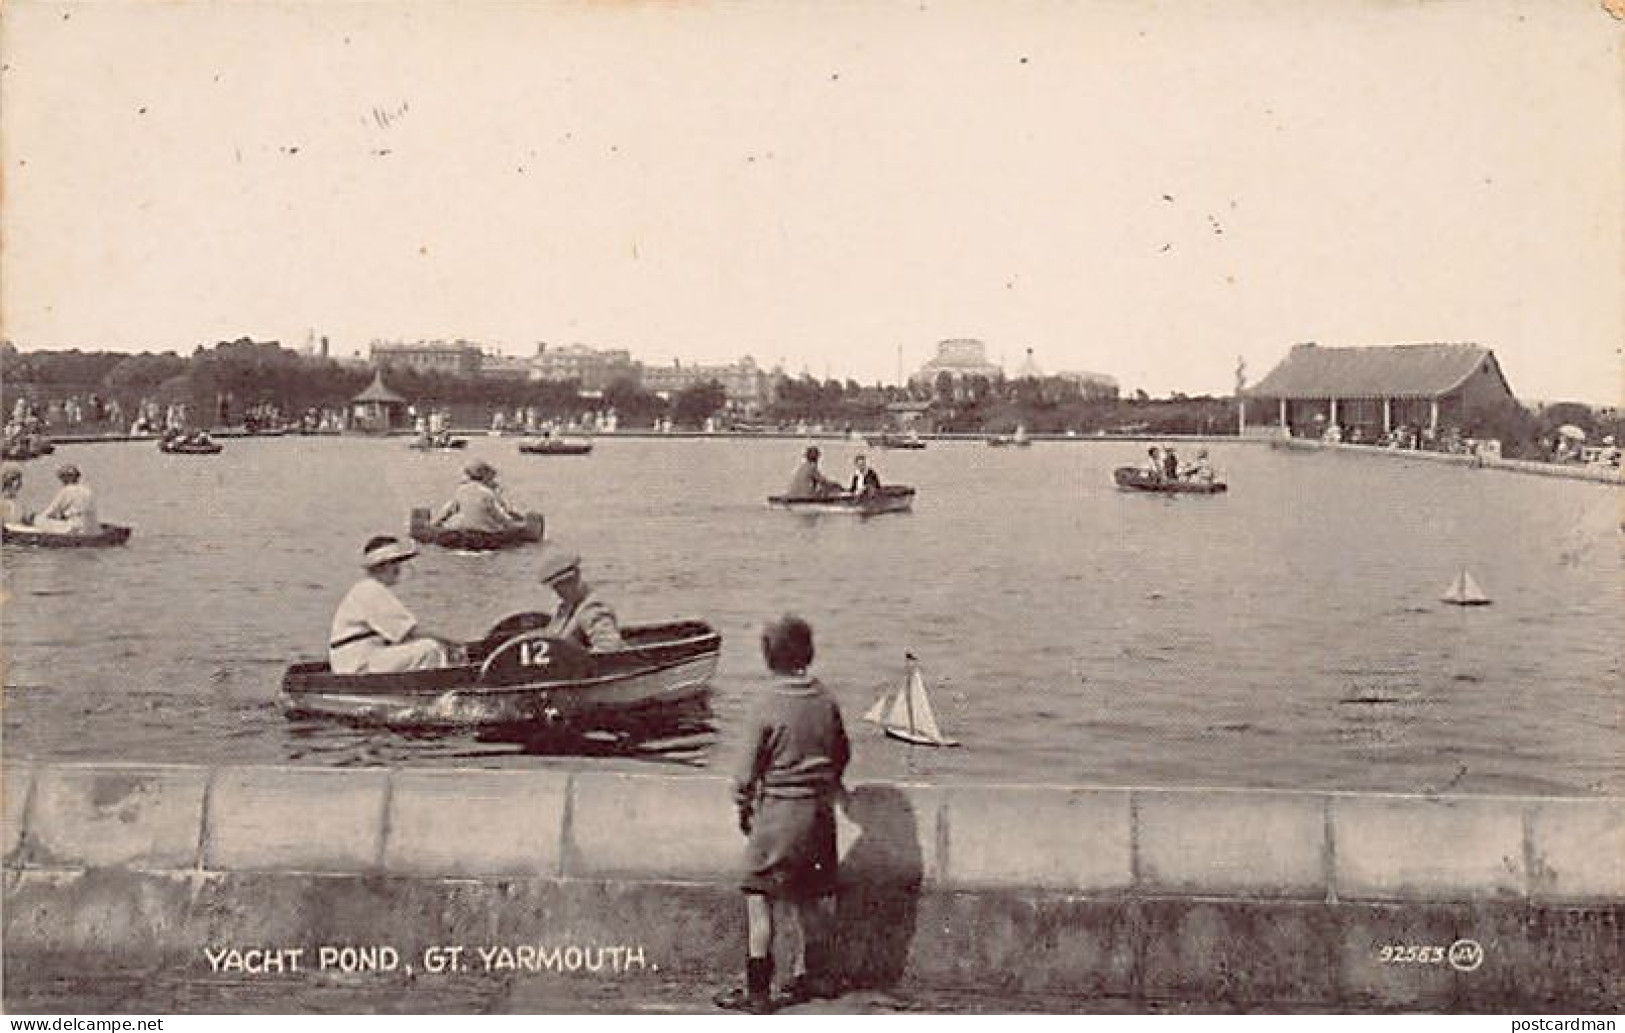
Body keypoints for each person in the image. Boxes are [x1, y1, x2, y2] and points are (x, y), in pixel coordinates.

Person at [715, 615, 850, 1014]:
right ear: (808, 653)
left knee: (760, 902)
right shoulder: (825, 699)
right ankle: (819, 977)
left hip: (777, 818)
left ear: (767, 657)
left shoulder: (765, 703)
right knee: (811, 900)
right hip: (818, 818)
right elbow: (841, 752)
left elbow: (745, 772)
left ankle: (758, 993)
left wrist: (743, 804)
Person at [328, 536, 452, 674]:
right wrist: (453, 643)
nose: (399, 568)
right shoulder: (371, 590)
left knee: (426, 646)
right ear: (381, 565)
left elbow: (400, 634)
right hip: (357, 665)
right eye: (394, 562)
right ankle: (434, 688)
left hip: (357, 660)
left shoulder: (369, 588)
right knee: (430, 648)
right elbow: (408, 632)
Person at [537, 549, 625, 651]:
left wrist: (577, 659)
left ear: (577, 577)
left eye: (565, 583)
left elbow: (609, 648)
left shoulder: (593, 609)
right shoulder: (565, 608)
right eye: (556, 587)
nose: (560, 592)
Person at [432, 460, 526, 533]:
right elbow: (500, 517)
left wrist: (434, 525)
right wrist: (518, 527)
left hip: (465, 531)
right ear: (485, 476)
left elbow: (445, 513)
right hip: (484, 533)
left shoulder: (461, 491)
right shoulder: (488, 493)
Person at [36, 464, 98, 535]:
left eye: (62, 477)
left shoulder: (67, 490)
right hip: (91, 528)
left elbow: (52, 510)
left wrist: (37, 518)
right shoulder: (88, 490)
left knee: (38, 520)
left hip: (75, 528)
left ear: (66, 478)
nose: (61, 481)